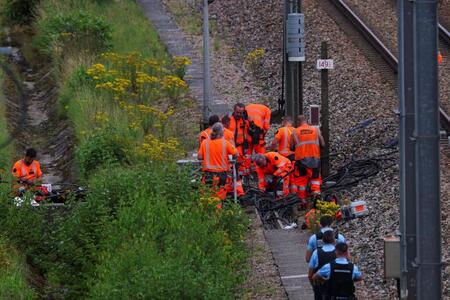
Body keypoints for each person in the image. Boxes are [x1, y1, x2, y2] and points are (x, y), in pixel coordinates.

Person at [198, 123, 238, 203]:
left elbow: (199, 157)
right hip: (221, 175)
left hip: (208, 174)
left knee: (207, 196)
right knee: (218, 198)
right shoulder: (225, 143)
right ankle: (217, 214)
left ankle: (207, 213)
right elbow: (236, 154)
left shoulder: (204, 142)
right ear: (221, 133)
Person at [290, 115, 325, 200]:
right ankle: (316, 195)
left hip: (301, 160)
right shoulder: (316, 129)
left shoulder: (295, 132)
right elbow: (323, 144)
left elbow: (291, 147)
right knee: (315, 179)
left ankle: (303, 201)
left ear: (298, 122)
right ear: (307, 121)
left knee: (302, 182)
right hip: (314, 159)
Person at [308, 230, 337, 300]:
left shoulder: (316, 253)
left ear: (323, 240)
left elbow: (310, 274)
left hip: (321, 287)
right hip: (336, 288)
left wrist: (314, 286)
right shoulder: (338, 252)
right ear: (334, 240)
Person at [228, 103, 251, 177]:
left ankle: (239, 182)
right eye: (237, 112)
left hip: (240, 148)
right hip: (229, 148)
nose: (239, 114)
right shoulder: (228, 120)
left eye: (241, 113)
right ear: (234, 110)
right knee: (229, 167)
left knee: (240, 168)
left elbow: (249, 133)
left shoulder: (244, 121)